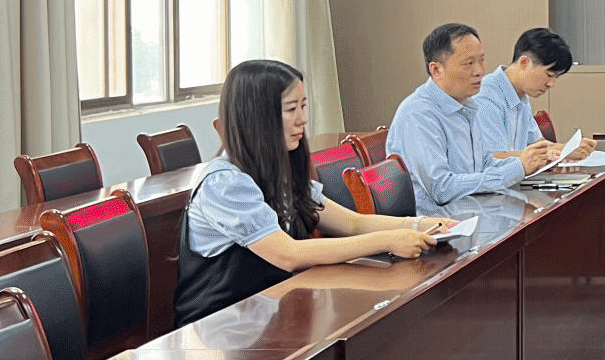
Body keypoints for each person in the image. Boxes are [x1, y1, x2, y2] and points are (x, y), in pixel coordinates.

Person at [174, 59, 451, 328]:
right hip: (221, 330)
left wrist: (422, 225)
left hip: (271, 315)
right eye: (291, 109)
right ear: (255, 117)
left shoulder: (277, 174)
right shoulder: (224, 183)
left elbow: (352, 223)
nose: (303, 119)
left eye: (303, 106)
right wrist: (387, 241)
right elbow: (288, 254)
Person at [388, 23, 580, 216]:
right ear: (436, 69)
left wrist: (530, 163)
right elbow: (442, 189)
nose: (480, 70)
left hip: (473, 210)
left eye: (481, 60)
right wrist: (519, 167)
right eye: (469, 63)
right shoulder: (419, 114)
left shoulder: (466, 104)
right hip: (439, 223)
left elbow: (484, 164)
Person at [477, 26, 587, 172]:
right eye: (549, 75)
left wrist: (570, 149)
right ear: (524, 63)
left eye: (556, 77)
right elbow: (494, 157)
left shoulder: (521, 96)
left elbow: (539, 145)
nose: (551, 84)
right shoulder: (486, 96)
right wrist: (547, 154)